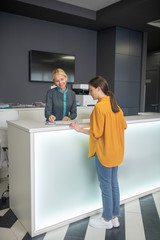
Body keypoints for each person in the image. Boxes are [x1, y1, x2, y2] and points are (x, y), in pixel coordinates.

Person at [70, 76, 127, 229]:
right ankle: (115, 217)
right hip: (117, 152)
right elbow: (123, 126)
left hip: (104, 152)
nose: (89, 93)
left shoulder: (99, 108)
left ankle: (107, 220)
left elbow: (96, 133)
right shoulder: (116, 106)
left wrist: (79, 129)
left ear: (99, 89)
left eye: (91, 90)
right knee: (114, 184)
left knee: (106, 187)